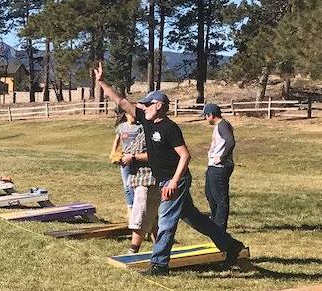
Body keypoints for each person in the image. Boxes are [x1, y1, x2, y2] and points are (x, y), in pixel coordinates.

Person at [91, 64, 244, 275]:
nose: (143, 108)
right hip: (163, 178)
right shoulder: (147, 119)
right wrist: (101, 82)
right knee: (195, 219)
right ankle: (231, 245)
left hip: (175, 180)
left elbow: (185, 155)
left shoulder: (169, 128)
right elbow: (121, 101)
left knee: (166, 220)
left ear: (160, 105)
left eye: (147, 104)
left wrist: (173, 182)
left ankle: (159, 264)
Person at [114, 112, 158, 253]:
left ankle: (133, 250)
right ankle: (160, 248)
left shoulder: (150, 133)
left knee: (139, 216)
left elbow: (156, 155)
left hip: (146, 180)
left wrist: (132, 157)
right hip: (139, 178)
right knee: (152, 218)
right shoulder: (140, 133)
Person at [202, 103, 236, 231]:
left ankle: (220, 228)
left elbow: (230, 141)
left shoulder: (223, 125)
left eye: (206, 116)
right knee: (210, 194)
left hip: (220, 167)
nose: (206, 119)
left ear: (211, 115)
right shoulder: (219, 126)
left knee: (220, 198)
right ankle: (214, 223)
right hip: (213, 166)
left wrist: (221, 158)